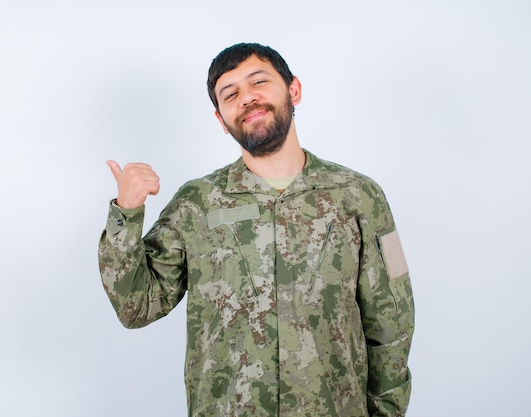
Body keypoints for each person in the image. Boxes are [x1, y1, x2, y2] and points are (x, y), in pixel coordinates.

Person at [98, 42, 414, 417]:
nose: (247, 98)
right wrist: (126, 212)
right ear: (221, 119)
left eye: (258, 82)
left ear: (293, 89)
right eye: (230, 94)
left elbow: (393, 321)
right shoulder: (197, 203)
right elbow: (137, 307)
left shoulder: (360, 196)